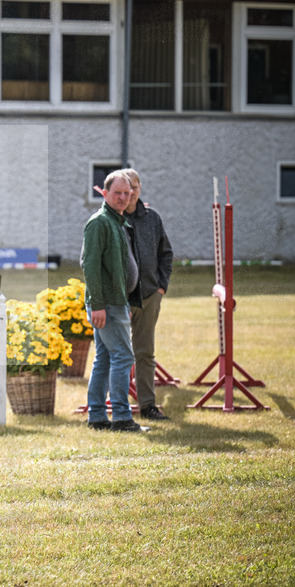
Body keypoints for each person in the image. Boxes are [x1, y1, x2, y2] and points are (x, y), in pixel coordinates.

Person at [81, 170, 148, 432]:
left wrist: (125, 302)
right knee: (123, 357)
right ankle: (121, 418)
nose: (122, 197)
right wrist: (98, 304)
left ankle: (97, 416)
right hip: (105, 304)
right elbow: (90, 265)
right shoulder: (99, 222)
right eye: (117, 193)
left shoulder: (117, 221)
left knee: (106, 358)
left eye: (126, 193)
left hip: (115, 303)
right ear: (105, 193)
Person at [122, 169, 174, 421]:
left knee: (144, 353)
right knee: (118, 354)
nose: (129, 193)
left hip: (149, 296)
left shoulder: (152, 219)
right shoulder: (112, 219)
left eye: (133, 187)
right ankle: (118, 406)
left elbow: (166, 253)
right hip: (119, 300)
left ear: (140, 188)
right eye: (124, 188)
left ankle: (147, 406)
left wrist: (161, 287)